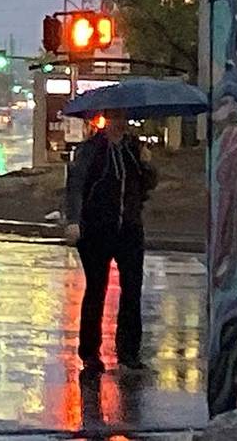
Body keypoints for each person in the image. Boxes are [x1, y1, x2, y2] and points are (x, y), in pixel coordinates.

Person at [65, 108, 158, 373]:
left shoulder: (132, 149)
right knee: (97, 289)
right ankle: (90, 354)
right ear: (106, 121)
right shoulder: (92, 150)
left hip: (129, 228)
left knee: (132, 290)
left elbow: (147, 184)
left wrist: (146, 163)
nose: (119, 124)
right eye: (115, 119)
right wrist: (74, 220)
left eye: (123, 119)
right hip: (96, 230)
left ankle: (129, 352)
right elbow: (76, 185)